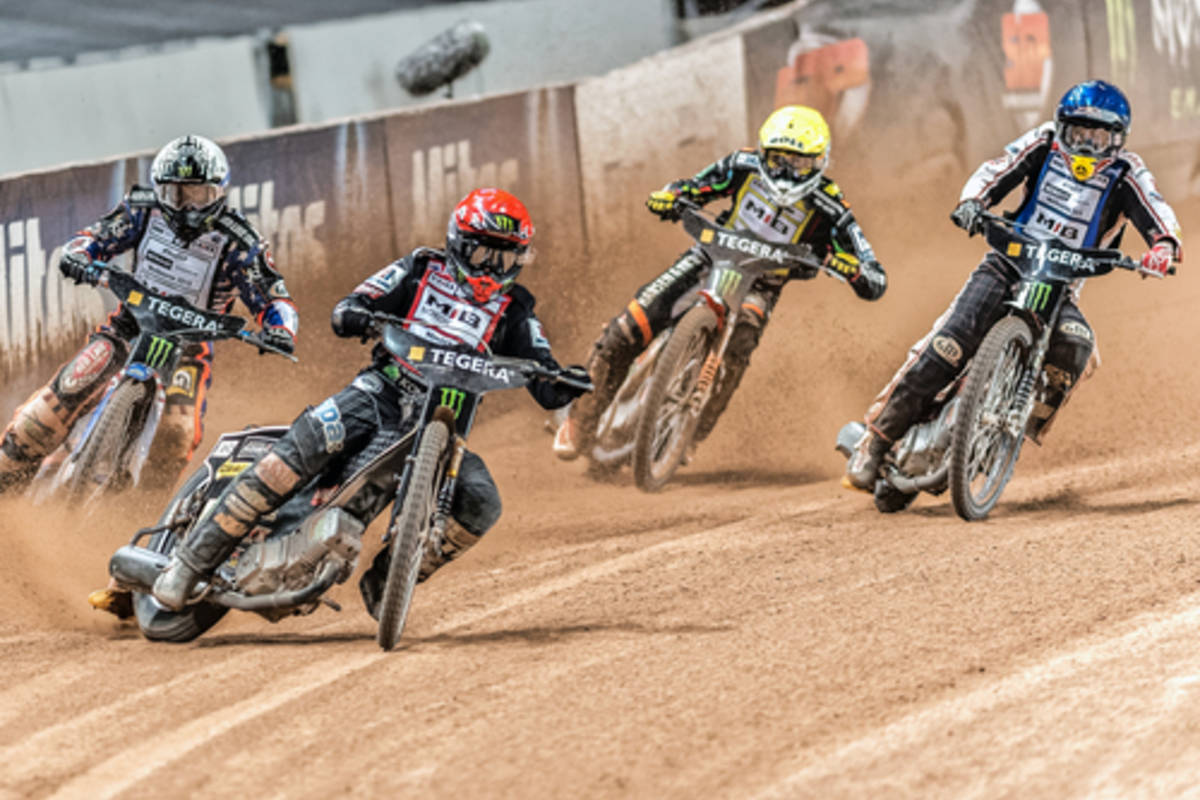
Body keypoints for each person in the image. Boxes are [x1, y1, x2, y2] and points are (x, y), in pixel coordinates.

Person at [147, 187, 590, 616]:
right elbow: (355, 303)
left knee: (483, 501)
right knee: (293, 455)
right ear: (458, 243)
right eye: (483, 254)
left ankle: (390, 577)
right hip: (381, 390)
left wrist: (567, 381)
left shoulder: (515, 308)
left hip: (444, 425)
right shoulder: (421, 268)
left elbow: (543, 371)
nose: (491, 268)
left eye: (505, 258)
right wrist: (357, 313)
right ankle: (188, 565)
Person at [845, 80, 1182, 491]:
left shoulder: (1128, 172)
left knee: (1078, 346)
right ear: (1062, 126)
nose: (1087, 146)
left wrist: (1164, 247)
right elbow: (997, 169)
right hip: (1006, 264)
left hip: (1062, 286)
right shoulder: (1042, 142)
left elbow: (1156, 209)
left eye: (1099, 138)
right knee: (949, 342)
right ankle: (875, 442)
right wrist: (973, 202)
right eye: (1079, 133)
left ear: (1118, 139)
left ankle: (1013, 426)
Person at [553, 105, 886, 460]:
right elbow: (694, 186)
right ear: (763, 153)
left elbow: (875, 277)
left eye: (799, 163)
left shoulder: (831, 206)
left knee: (737, 348)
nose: (787, 172)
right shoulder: (742, 165)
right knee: (629, 327)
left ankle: (690, 436)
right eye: (778, 160)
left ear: (820, 162)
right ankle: (579, 420)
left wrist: (852, 269)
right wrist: (671, 197)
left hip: (761, 283)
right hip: (708, 257)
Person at [0, 134, 298, 493]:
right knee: (50, 408)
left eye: (197, 194)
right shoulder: (142, 209)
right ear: (160, 190)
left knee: (178, 433)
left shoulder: (240, 242)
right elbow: (95, 237)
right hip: (130, 326)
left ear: (219, 192)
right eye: (176, 194)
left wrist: (280, 330)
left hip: (189, 345)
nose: (187, 207)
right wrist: (80, 255)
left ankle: (143, 513)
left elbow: (273, 296)